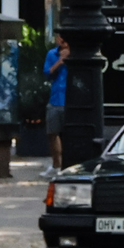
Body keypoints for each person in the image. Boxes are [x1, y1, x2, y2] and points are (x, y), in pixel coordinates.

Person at [44, 37, 68, 170]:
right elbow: (47, 73)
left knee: (69, 134)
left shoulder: (77, 53)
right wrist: (60, 62)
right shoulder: (52, 54)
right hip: (55, 98)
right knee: (52, 132)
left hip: (70, 99)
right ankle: (56, 164)